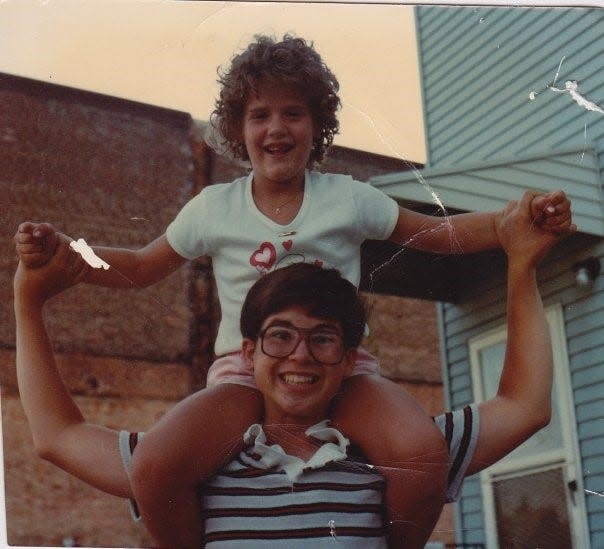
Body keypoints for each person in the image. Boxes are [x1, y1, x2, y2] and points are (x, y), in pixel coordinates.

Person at [13, 34, 575, 548]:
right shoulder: (215, 209)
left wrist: (506, 226)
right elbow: (139, 267)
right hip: (241, 371)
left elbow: (435, 234)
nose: (276, 128)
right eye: (260, 114)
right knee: (156, 463)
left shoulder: (349, 199)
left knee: (421, 453)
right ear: (239, 128)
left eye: (293, 113)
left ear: (317, 126)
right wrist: (69, 256)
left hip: (344, 370)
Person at [14, 189, 560, 547]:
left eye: (322, 339)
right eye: (280, 336)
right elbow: (57, 435)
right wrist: (29, 300)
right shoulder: (198, 461)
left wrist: (521, 264)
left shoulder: (390, 455)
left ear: (350, 359)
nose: (300, 355)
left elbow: (524, 406)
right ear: (248, 353)